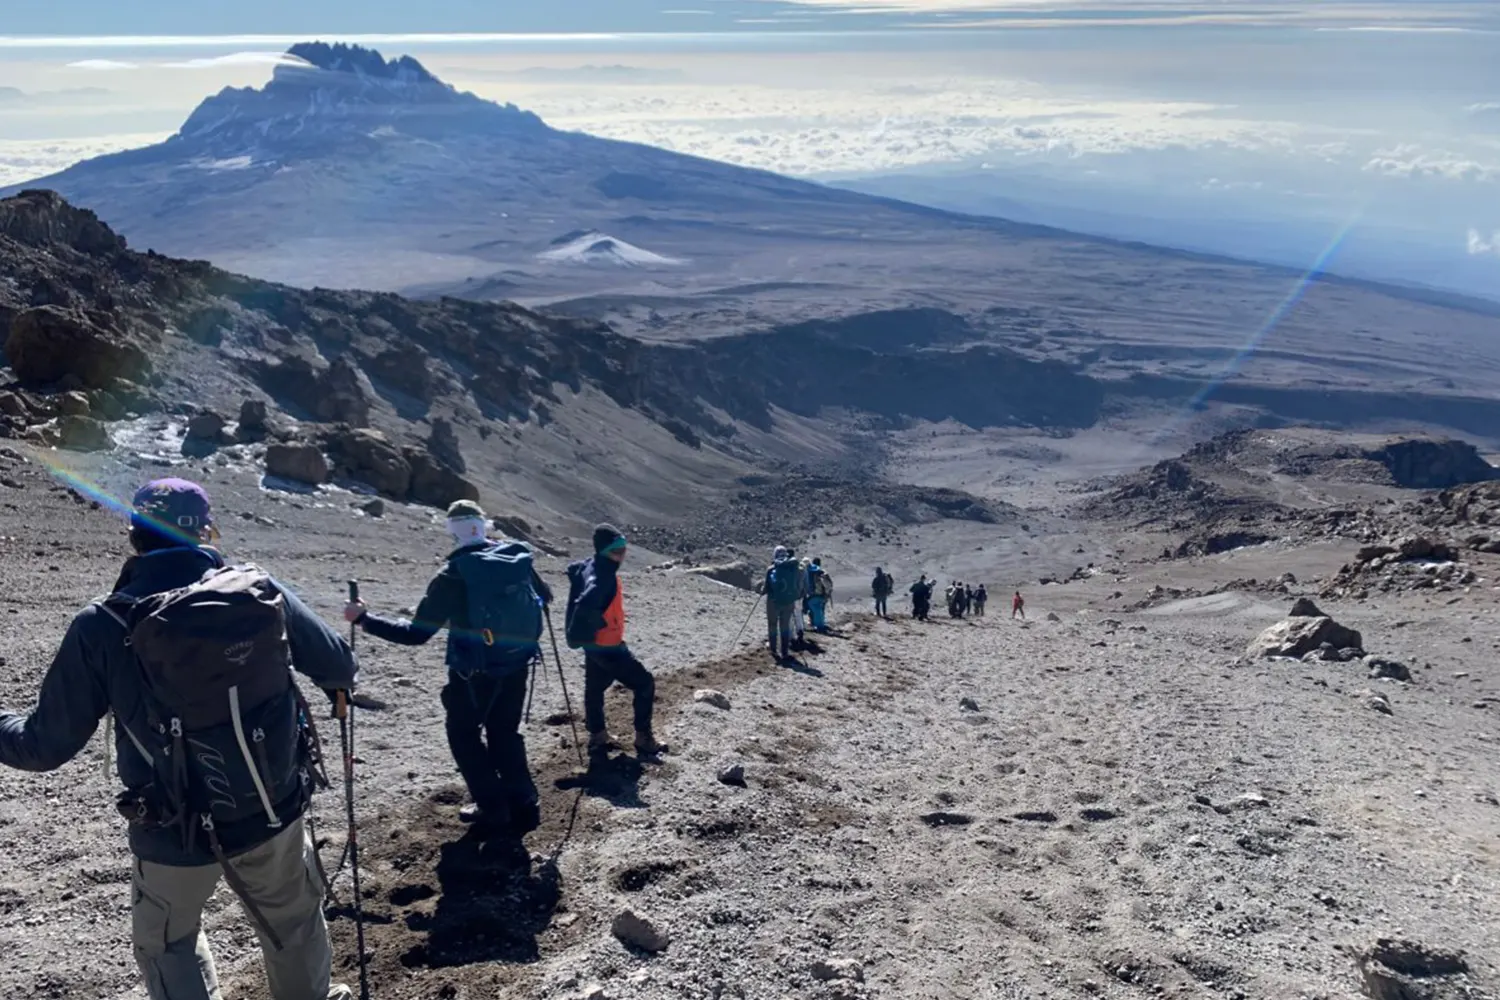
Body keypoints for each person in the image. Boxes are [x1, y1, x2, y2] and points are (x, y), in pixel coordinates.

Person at [0, 478, 358, 1000]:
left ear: (134, 536)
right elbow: (339, 666)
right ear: (207, 529)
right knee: (293, 924)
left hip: (172, 826)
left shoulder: (102, 624)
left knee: (168, 942)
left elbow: (42, 746)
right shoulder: (259, 589)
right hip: (270, 805)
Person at [346, 499, 549, 833]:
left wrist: (364, 619)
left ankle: (493, 807)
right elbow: (545, 598)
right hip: (517, 664)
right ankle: (523, 798)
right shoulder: (515, 558)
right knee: (504, 733)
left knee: (464, 736)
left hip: (472, 673)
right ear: (482, 526)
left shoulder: (453, 574)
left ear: (452, 532)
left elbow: (416, 635)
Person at [565, 525, 668, 758]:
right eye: (616, 550)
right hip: (607, 646)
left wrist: (584, 634)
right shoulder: (603, 577)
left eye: (623, 549)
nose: (622, 555)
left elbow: (574, 571)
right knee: (644, 683)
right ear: (604, 550)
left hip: (593, 645)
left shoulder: (592, 565)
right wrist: (596, 624)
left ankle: (597, 735)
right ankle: (643, 738)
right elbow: (587, 603)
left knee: (594, 688)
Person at [764, 546, 803, 660]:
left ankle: (773, 649)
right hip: (789, 602)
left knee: (772, 625)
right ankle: (784, 651)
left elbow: (765, 589)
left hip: (773, 602)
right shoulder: (794, 568)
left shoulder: (771, 569)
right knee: (784, 626)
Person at [806, 557, 833, 633]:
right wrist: (827, 594)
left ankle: (815, 623)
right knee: (820, 610)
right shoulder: (821, 572)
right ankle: (820, 624)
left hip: (811, 595)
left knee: (813, 609)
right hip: (821, 595)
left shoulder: (809, 572)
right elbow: (828, 585)